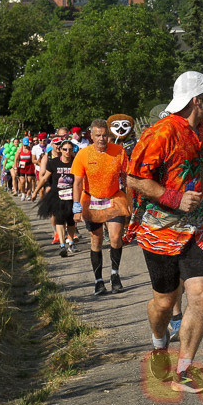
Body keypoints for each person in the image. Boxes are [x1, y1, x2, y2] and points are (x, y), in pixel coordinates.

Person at [126, 71, 203, 393]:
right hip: (161, 229)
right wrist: (174, 197)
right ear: (197, 100)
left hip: (199, 226)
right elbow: (134, 178)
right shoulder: (160, 132)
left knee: (201, 295)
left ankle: (184, 372)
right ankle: (159, 345)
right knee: (164, 302)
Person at [72, 119, 130, 295]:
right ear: (91, 135)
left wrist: (130, 203)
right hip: (92, 200)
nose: (101, 139)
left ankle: (115, 274)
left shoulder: (119, 151)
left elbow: (126, 179)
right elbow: (77, 183)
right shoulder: (83, 154)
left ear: (108, 135)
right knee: (96, 240)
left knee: (115, 238)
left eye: (104, 135)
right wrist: (76, 206)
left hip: (114, 198)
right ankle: (98, 281)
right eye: (97, 135)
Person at [35, 140, 79, 257]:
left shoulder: (76, 162)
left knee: (71, 221)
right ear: (60, 150)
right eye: (65, 149)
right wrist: (36, 191)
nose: (67, 152)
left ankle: (71, 242)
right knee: (59, 219)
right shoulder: (54, 163)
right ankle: (62, 245)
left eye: (70, 149)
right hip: (57, 196)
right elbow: (45, 178)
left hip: (72, 196)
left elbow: (80, 180)